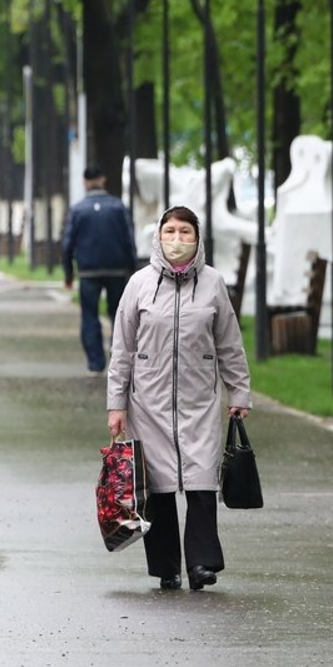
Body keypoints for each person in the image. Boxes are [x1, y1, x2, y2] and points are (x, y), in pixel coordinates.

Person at [106, 206, 251, 592]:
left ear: (198, 238)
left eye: (185, 232)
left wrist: (239, 392)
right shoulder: (139, 284)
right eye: (170, 231)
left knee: (202, 481)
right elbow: (122, 349)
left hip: (199, 398)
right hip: (148, 402)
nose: (177, 239)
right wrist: (116, 404)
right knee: (160, 487)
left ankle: (203, 563)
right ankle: (166, 567)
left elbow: (229, 344)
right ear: (158, 236)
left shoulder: (213, 284)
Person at [60, 166, 138, 375]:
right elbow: (130, 240)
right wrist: (133, 269)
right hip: (117, 269)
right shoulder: (118, 207)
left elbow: (67, 244)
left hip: (88, 271)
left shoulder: (77, 210)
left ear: (85, 182)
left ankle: (95, 363)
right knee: (119, 315)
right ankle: (119, 361)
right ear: (103, 179)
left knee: (89, 316)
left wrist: (68, 273)